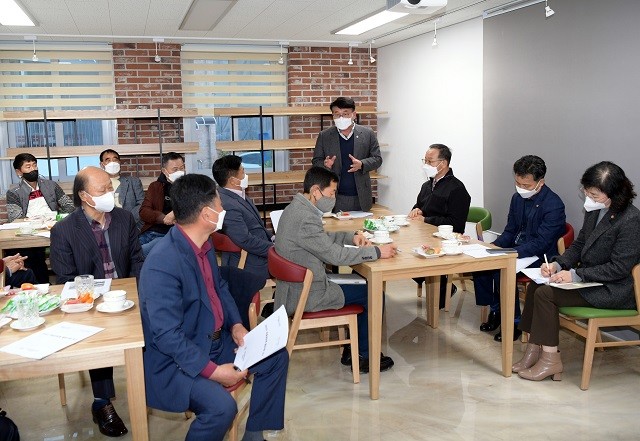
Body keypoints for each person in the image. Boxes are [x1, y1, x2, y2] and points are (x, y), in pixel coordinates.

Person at [139, 173, 288, 441]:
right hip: (177, 361)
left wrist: (236, 325)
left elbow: (219, 287)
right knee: (222, 408)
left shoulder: (203, 243)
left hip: (213, 342)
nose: (223, 210)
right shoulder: (163, 263)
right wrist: (214, 372)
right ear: (206, 215)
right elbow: (168, 336)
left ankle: (254, 437)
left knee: (276, 358)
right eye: (220, 205)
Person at [513, 161, 640, 382]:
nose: (588, 197)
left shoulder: (631, 220)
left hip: (614, 288)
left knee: (546, 294)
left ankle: (550, 360)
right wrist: (558, 265)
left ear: (614, 194)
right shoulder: (596, 210)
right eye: (587, 191)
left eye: (594, 194)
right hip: (591, 280)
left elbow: (619, 268)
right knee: (536, 285)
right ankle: (534, 349)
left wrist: (576, 275)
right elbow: (580, 244)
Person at [50, 166, 144, 437]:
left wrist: (137, 292)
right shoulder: (64, 230)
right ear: (84, 196)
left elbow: (137, 259)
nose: (109, 194)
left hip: (127, 294)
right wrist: (93, 299)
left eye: (110, 188)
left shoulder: (124, 218)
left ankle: (153, 384)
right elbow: (65, 279)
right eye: (102, 190)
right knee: (97, 335)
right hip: (90, 302)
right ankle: (102, 402)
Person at [274, 166, 396, 373]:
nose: (333, 198)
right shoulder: (306, 217)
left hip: (295, 286)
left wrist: (351, 236)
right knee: (373, 292)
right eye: (331, 193)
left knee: (362, 282)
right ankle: (364, 356)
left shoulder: (295, 209)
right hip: (308, 293)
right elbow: (335, 256)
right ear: (315, 191)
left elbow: (320, 240)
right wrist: (376, 252)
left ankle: (354, 350)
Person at [473, 155, 566, 342]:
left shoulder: (554, 204)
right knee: (481, 263)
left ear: (540, 182)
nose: (521, 188)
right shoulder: (517, 198)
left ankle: (514, 321)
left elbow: (541, 242)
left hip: (540, 256)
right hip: (517, 249)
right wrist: (494, 246)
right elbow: (510, 230)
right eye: (518, 183)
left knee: (501, 270)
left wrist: (511, 253)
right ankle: (496, 310)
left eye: (526, 185)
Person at [408, 144, 471, 309]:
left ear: (443, 164)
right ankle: (435, 283)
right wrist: (416, 211)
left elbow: (456, 223)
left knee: (421, 255)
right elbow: (419, 206)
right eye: (424, 160)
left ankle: (442, 287)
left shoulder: (457, 189)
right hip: (425, 235)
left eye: (430, 161)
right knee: (407, 252)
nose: (426, 165)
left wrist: (426, 220)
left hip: (446, 239)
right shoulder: (427, 185)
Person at [5, 153, 75, 282]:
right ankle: (41, 283)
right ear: (19, 172)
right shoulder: (13, 192)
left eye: (34, 165)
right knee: (31, 253)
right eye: (28, 166)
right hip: (30, 230)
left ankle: (66, 281)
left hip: (54, 226)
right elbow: (15, 217)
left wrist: (59, 218)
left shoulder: (51, 185)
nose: (33, 169)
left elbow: (69, 205)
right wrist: (34, 222)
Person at [312, 97, 382, 212]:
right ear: (332, 116)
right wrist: (325, 165)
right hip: (335, 196)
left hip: (361, 196)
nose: (341, 118)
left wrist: (362, 164)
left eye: (345, 114)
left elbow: (377, 159)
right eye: (337, 114)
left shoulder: (367, 133)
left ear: (353, 115)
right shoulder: (324, 136)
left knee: (361, 224)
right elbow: (316, 161)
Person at [212, 154, 273, 281]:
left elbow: (257, 226)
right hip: (250, 262)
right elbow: (245, 240)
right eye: (243, 172)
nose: (246, 175)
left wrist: (273, 238)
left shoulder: (237, 195)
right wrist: (275, 249)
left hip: (258, 251)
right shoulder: (227, 204)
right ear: (233, 181)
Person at [139, 152, 185, 256]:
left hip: (173, 235)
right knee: (128, 250)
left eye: (182, 168)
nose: (179, 172)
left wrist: (174, 213)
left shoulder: (190, 187)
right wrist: (163, 218)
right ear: (164, 171)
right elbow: (144, 212)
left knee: (141, 253)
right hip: (151, 232)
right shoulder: (155, 186)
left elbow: (194, 208)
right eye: (175, 169)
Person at [99, 149, 144, 229]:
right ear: (102, 165)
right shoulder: (97, 184)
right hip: (106, 227)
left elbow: (142, 203)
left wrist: (128, 220)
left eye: (115, 159)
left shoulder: (133, 182)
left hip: (132, 225)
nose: (112, 163)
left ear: (119, 162)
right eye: (108, 160)